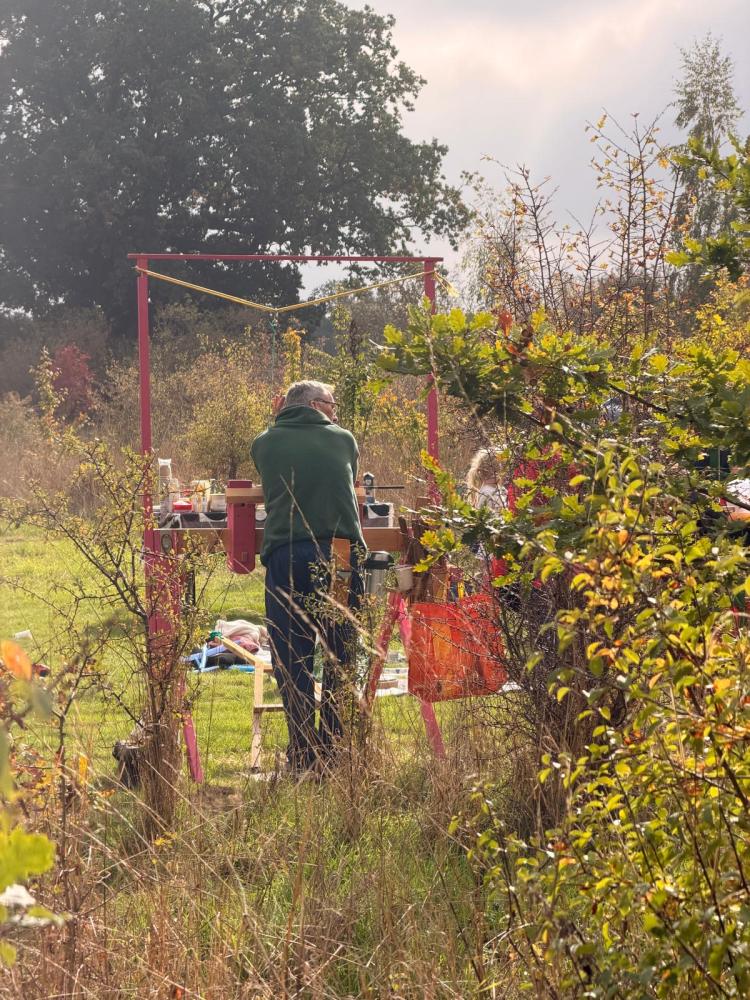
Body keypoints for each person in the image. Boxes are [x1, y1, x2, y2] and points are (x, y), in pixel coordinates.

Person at [251, 380, 364, 774]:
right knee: (340, 653)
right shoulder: (343, 440)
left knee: (290, 657)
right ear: (316, 406)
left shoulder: (264, 443)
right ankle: (333, 752)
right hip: (338, 556)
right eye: (332, 405)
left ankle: (302, 753)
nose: (335, 412)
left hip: (286, 555)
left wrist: (277, 416)